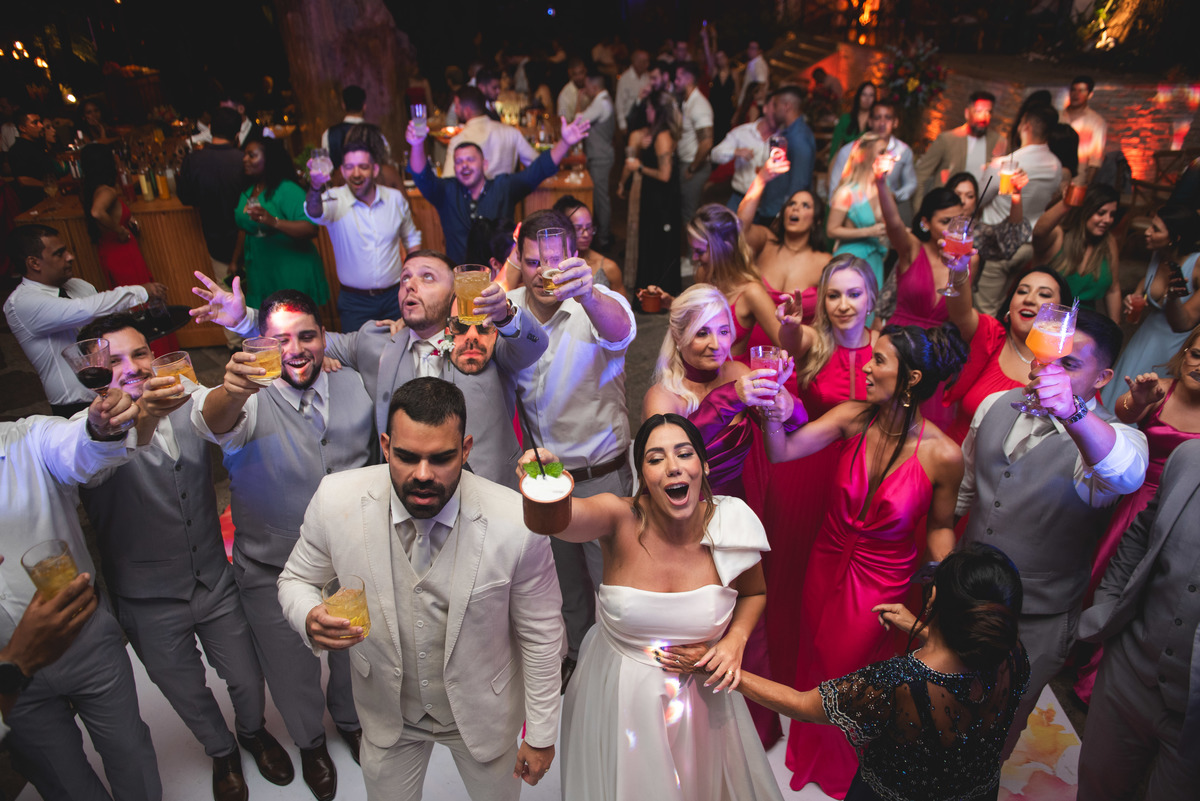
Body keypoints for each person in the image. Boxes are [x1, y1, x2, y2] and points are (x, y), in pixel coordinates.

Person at [278, 378, 565, 801]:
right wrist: (307, 615)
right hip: (387, 713)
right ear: (386, 445)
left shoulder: (515, 522)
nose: (423, 475)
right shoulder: (335, 499)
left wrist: (540, 734)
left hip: (484, 714)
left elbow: (542, 635)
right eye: (407, 457)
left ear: (466, 449)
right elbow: (295, 579)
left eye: (442, 458)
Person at [75, 315, 291, 801]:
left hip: (213, 581)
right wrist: (144, 416)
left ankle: (253, 732)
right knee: (187, 691)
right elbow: (101, 464)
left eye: (140, 353)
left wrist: (233, 391)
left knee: (245, 676)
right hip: (148, 600)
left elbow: (212, 411)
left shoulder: (184, 394)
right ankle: (222, 752)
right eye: (114, 360)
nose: (131, 367)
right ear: (93, 370)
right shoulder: (83, 431)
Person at [516, 414, 784, 801]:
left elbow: (753, 593)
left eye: (684, 453)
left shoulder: (733, 523)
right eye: (655, 458)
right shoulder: (617, 517)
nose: (673, 466)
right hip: (619, 691)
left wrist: (733, 642)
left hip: (701, 701)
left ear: (703, 465)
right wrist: (546, 475)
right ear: (642, 474)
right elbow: (558, 520)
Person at [751, 323, 968, 797]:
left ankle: (847, 773)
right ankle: (808, 755)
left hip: (880, 579)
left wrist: (949, 581)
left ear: (911, 379)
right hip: (825, 559)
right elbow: (782, 450)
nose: (866, 367)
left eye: (880, 361)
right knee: (815, 655)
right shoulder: (852, 416)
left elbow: (939, 525)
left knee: (850, 669)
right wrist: (771, 409)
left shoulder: (944, 455)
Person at [664, 543, 1030, 801]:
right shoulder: (1012, 655)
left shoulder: (896, 683)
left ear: (933, 602)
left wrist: (718, 664)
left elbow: (801, 704)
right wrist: (920, 629)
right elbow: (963, 660)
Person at [191, 290, 371, 800]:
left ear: (323, 339)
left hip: (345, 562)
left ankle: (350, 723)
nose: (296, 349)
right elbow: (214, 421)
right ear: (260, 345)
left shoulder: (353, 383)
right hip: (271, 568)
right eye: (281, 339)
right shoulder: (248, 400)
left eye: (307, 336)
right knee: (291, 668)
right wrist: (230, 390)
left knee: (351, 657)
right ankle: (311, 743)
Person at [191, 250, 548, 492]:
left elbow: (534, 344)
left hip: (487, 489)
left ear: (455, 290)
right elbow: (309, 340)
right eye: (405, 277)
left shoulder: (482, 336)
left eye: (426, 277)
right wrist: (244, 320)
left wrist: (504, 315)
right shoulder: (375, 341)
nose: (410, 284)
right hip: (412, 494)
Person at [957, 308, 1148, 756]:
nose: (1050, 371)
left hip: (1035, 623)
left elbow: (1126, 476)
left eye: (1070, 364)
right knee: (935, 713)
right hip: (964, 600)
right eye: (1048, 357)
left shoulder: (1118, 439)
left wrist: (1072, 411)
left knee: (991, 737)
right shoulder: (995, 405)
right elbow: (968, 494)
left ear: (1102, 378)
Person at [0, 391, 163, 800]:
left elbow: (79, 449)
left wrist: (99, 429)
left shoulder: (27, 439)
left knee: (130, 750)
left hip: (85, 637)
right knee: (60, 779)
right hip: (5, 674)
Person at [508, 208, 637, 688]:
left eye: (554, 259)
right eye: (533, 260)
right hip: (546, 479)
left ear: (574, 257)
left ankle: (618, 672)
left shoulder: (598, 300)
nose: (545, 272)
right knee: (564, 586)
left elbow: (621, 330)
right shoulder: (507, 308)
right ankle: (579, 660)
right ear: (518, 258)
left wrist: (586, 293)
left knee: (612, 583)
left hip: (602, 474)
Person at [766, 255, 878, 702]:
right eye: (834, 294)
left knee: (846, 583)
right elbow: (790, 339)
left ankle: (845, 676)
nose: (844, 304)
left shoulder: (886, 346)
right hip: (807, 470)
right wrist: (790, 325)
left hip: (865, 478)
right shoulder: (815, 340)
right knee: (797, 575)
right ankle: (796, 681)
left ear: (871, 297)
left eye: (854, 293)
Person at [1074, 328, 1200, 703]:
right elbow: (1124, 415)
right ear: (1184, 354)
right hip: (1137, 497)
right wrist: (1140, 400)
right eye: (1197, 355)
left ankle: (1103, 675)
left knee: (1144, 591)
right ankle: (1075, 645)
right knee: (1103, 574)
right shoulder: (1161, 387)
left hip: (1183, 510)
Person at [1075, 439, 1200, 801]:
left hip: (1191, 717)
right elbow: (1142, 533)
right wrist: (1109, 603)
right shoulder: (1189, 457)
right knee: (1096, 787)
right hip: (1129, 674)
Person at [4, 223, 165, 418]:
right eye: (59, 253)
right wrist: (140, 291)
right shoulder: (21, 302)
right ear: (34, 263)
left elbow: (106, 325)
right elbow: (84, 310)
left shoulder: (79, 286)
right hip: (75, 404)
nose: (70, 257)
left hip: (115, 389)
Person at [407, 114, 589, 265]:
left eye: (470, 160)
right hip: (461, 278)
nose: (464, 166)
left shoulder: (503, 187)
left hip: (503, 275)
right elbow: (422, 177)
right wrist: (416, 145)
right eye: (459, 162)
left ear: (485, 164)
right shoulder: (446, 192)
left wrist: (565, 142)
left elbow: (537, 170)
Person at [306, 134, 423, 332]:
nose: (356, 173)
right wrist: (315, 186)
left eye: (363, 166)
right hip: (355, 303)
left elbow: (411, 236)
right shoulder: (334, 199)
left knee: (405, 352)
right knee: (359, 359)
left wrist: (414, 278)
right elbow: (313, 211)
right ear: (342, 171)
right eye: (349, 167)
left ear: (375, 169)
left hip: (396, 296)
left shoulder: (394, 199)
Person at [80, 143, 180, 356]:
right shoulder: (106, 190)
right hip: (124, 254)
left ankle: (145, 350)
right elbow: (97, 212)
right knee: (143, 303)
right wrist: (120, 230)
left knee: (133, 304)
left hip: (111, 252)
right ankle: (156, 352)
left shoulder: (91, 190)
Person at [1101, 205, 1200, 408]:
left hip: (1171, 346)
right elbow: (1146, 286)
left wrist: (1172, 298)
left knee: (1146, 400)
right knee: (1120, 391)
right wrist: (1135, 297)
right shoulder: (1159, 253)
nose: (1147, 231)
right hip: (1145, 335)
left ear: (1176, 237)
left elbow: (1184, 323)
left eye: (1155, 229)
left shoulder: (1197, 264)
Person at [974, 105, 1066, 315]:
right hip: (1029, 245)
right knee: (1006, 307)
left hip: (998, 244)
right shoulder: (1056, 166)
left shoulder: (1005, 164)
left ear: (1025, 126)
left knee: (984, 310)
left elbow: (979, 197)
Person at [657, 204, 780, 360]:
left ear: (723, 248)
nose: (694, 258)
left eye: (700, 251)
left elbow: (785, 343)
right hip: (704, 372)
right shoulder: (704, 274)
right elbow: (703, 317)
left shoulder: (751, 292)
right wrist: (672, 303)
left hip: (734, 379)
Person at [735, 159, 831, 338]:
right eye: (791, 204)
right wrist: (761, 178)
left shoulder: (824, 261)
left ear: (816, 220)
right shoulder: (766, 244)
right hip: (755, 348)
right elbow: (741, 226)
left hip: (798, 351)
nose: (795, 208)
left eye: (805, 206)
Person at [234, 135, 328, 310]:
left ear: (268, 159)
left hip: (289, 269)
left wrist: (273, 221)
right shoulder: (249, 191)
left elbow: (311, 228)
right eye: (245, 155)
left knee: (295, 322)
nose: (245, 159)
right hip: (260, 269)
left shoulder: (287, 190)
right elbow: (244, 228)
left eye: (251, 155)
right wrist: (235, 261)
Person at [178, 106, 249, 320]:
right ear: (237, 133)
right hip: (250, 236)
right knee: (255, 292)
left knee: (225, 295)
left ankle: (235, 344)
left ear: (210, 129)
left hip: (215, 238)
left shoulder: (193, 160)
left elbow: (185, 197)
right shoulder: (245, 159)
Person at [620, 89, 681, 296]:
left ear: (657, 110)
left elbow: (665, 175)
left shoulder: (662, 135)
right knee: (652, 245)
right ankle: (650, 296)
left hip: (661, 201)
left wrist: (639, 167)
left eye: (649, 107)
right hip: (654, 198)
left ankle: (656, 297)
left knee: (657, 247)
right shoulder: (656, 133)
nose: (646, 110)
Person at [1031, 183, 1121, 320]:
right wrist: (1066, 203)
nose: (1108, 220)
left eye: (1112, 215)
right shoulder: (1060, 236)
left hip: (1085, 323)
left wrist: (1115, 329)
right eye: (1101, 213)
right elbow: (1038, 232)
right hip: (1046, 320)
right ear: (1086, 211)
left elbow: (1113, 289)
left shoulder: (1108, 242)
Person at [828, 101, 916, 222]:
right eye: (877, 118)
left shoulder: (903, 151)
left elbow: (911, 183)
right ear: (870, 122)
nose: (882, 123)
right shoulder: (849, 150)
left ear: (895, 122)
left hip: (886, 214)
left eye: (888, 118)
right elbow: (835, 186)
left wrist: (895, 196)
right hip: (854, 216)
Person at [827, 133, 890, 289]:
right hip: (851, 260)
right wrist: (869, 231)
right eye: (882, 152)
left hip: (875, 259)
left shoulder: (883, 191)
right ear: (867, 156)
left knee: (871, 309)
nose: (888, 156)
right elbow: (831, 230)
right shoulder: (847, 192)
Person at [914, 90, 1001, 198]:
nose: (984, 117)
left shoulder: (998, 141)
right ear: (967, 113)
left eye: (989, 112)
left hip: (978, 210)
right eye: (978, 111)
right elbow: (921, 176)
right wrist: (920, 211)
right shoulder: (947, 139)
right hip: (946, 207)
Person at [440, 86, 538, 179]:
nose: (455, 111)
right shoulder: (511, 132)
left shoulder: (458, 140)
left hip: (473, 196)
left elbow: (448, 182)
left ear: (467, 111)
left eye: (457, 106)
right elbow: (538, 163)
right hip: (507, 195)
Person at [755, 87, 817, 225]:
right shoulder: (788, 133)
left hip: (779, 215)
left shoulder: (799, 138)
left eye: (776, 105)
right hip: (772, 210)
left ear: (787, 106)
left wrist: (782, 216)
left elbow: (799, 183)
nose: (774, 110)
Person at [711, 93, 775, 211]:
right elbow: (715, 154)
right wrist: (736, 151)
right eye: (774, 106)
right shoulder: (743, 132)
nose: (778, 111)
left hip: (768, 203)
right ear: (765, 108)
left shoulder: (783, 138)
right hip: (740, 198)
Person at [574, 72, 616, 249]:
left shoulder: (600, 102)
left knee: (601, 199)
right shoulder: (603, 100)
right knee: (600, 198)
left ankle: (604, 238)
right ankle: (603, 235)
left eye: (586, 85)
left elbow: (578, 122)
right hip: (601, 155)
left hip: (600, 156)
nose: (585, 89)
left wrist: (578, 99)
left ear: (593, 86)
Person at [553, 195, 625, 298]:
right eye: (578, 229)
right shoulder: (553, 266)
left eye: (589, 228)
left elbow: (623, 310)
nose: (586, 235)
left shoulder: (609, 268)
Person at [674, 61, 715, 230]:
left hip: (695, 167)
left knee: (691, 215)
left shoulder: (699, 105)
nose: (675, 82)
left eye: (678, 78)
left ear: (688, 79)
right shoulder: (687, 101)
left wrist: (692, 168)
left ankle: (694, 255)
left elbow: (706, 143)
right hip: (687, 163)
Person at [5, 111, 56, 210]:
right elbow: (23, 180)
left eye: (40, 122)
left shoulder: (37, 146)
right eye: (35, 122)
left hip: (49, 199)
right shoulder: (18, 150)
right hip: (35, 203)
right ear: (22, 128)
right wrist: (49, 186)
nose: (41, 126)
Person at [321, 85, 379, 169]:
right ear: (364, 106)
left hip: (339, 182)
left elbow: (325, 168)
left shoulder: (329, 134)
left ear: (343, 105)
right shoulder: (375, 133)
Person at [1063, 75, 1107, 183]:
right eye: (1073, 90)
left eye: (1081, 91)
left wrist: (1087, 185)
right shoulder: (1058, 116)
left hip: (1077, 176)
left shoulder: (1096, 122)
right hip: (1053, 171)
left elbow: (1095, 158)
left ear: (1089, 94)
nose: (1076, 94)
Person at [829, 81, 875, 156]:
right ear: (858, 96)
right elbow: (835, 146)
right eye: (864, 94)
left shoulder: (876, 122)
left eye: (871, 95)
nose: (867, 99)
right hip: (846, 163)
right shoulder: (845, 119)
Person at [615, 49, 652, 137]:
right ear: (636, 62)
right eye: (644, 62)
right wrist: (622, 125)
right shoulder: (625, 79)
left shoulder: (648, 76)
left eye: (647, 61)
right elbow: (619, 103)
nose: (647, 64)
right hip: (630, 121)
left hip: (644, 121)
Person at [737, 40, 769, 109]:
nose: (750, 50)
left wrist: (750, 99)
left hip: (753, 106)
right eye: (749, 48)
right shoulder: (754, 63)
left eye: (753, 48)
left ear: (760, 51)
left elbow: (761, 83)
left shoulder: (758, 64)